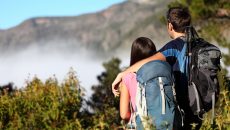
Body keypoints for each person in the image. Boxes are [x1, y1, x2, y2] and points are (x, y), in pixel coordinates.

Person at [113, 7, 202, 130]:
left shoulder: (173, 47)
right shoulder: (199, 43)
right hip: (200, 106)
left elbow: (148, 62)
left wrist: (122, 74)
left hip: (180, 111)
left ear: (170, 25)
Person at [119, 37, 156, 129]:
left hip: (139, 124)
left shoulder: (128, 77)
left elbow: (124, 114)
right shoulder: (162, 73)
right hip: (162, 121)